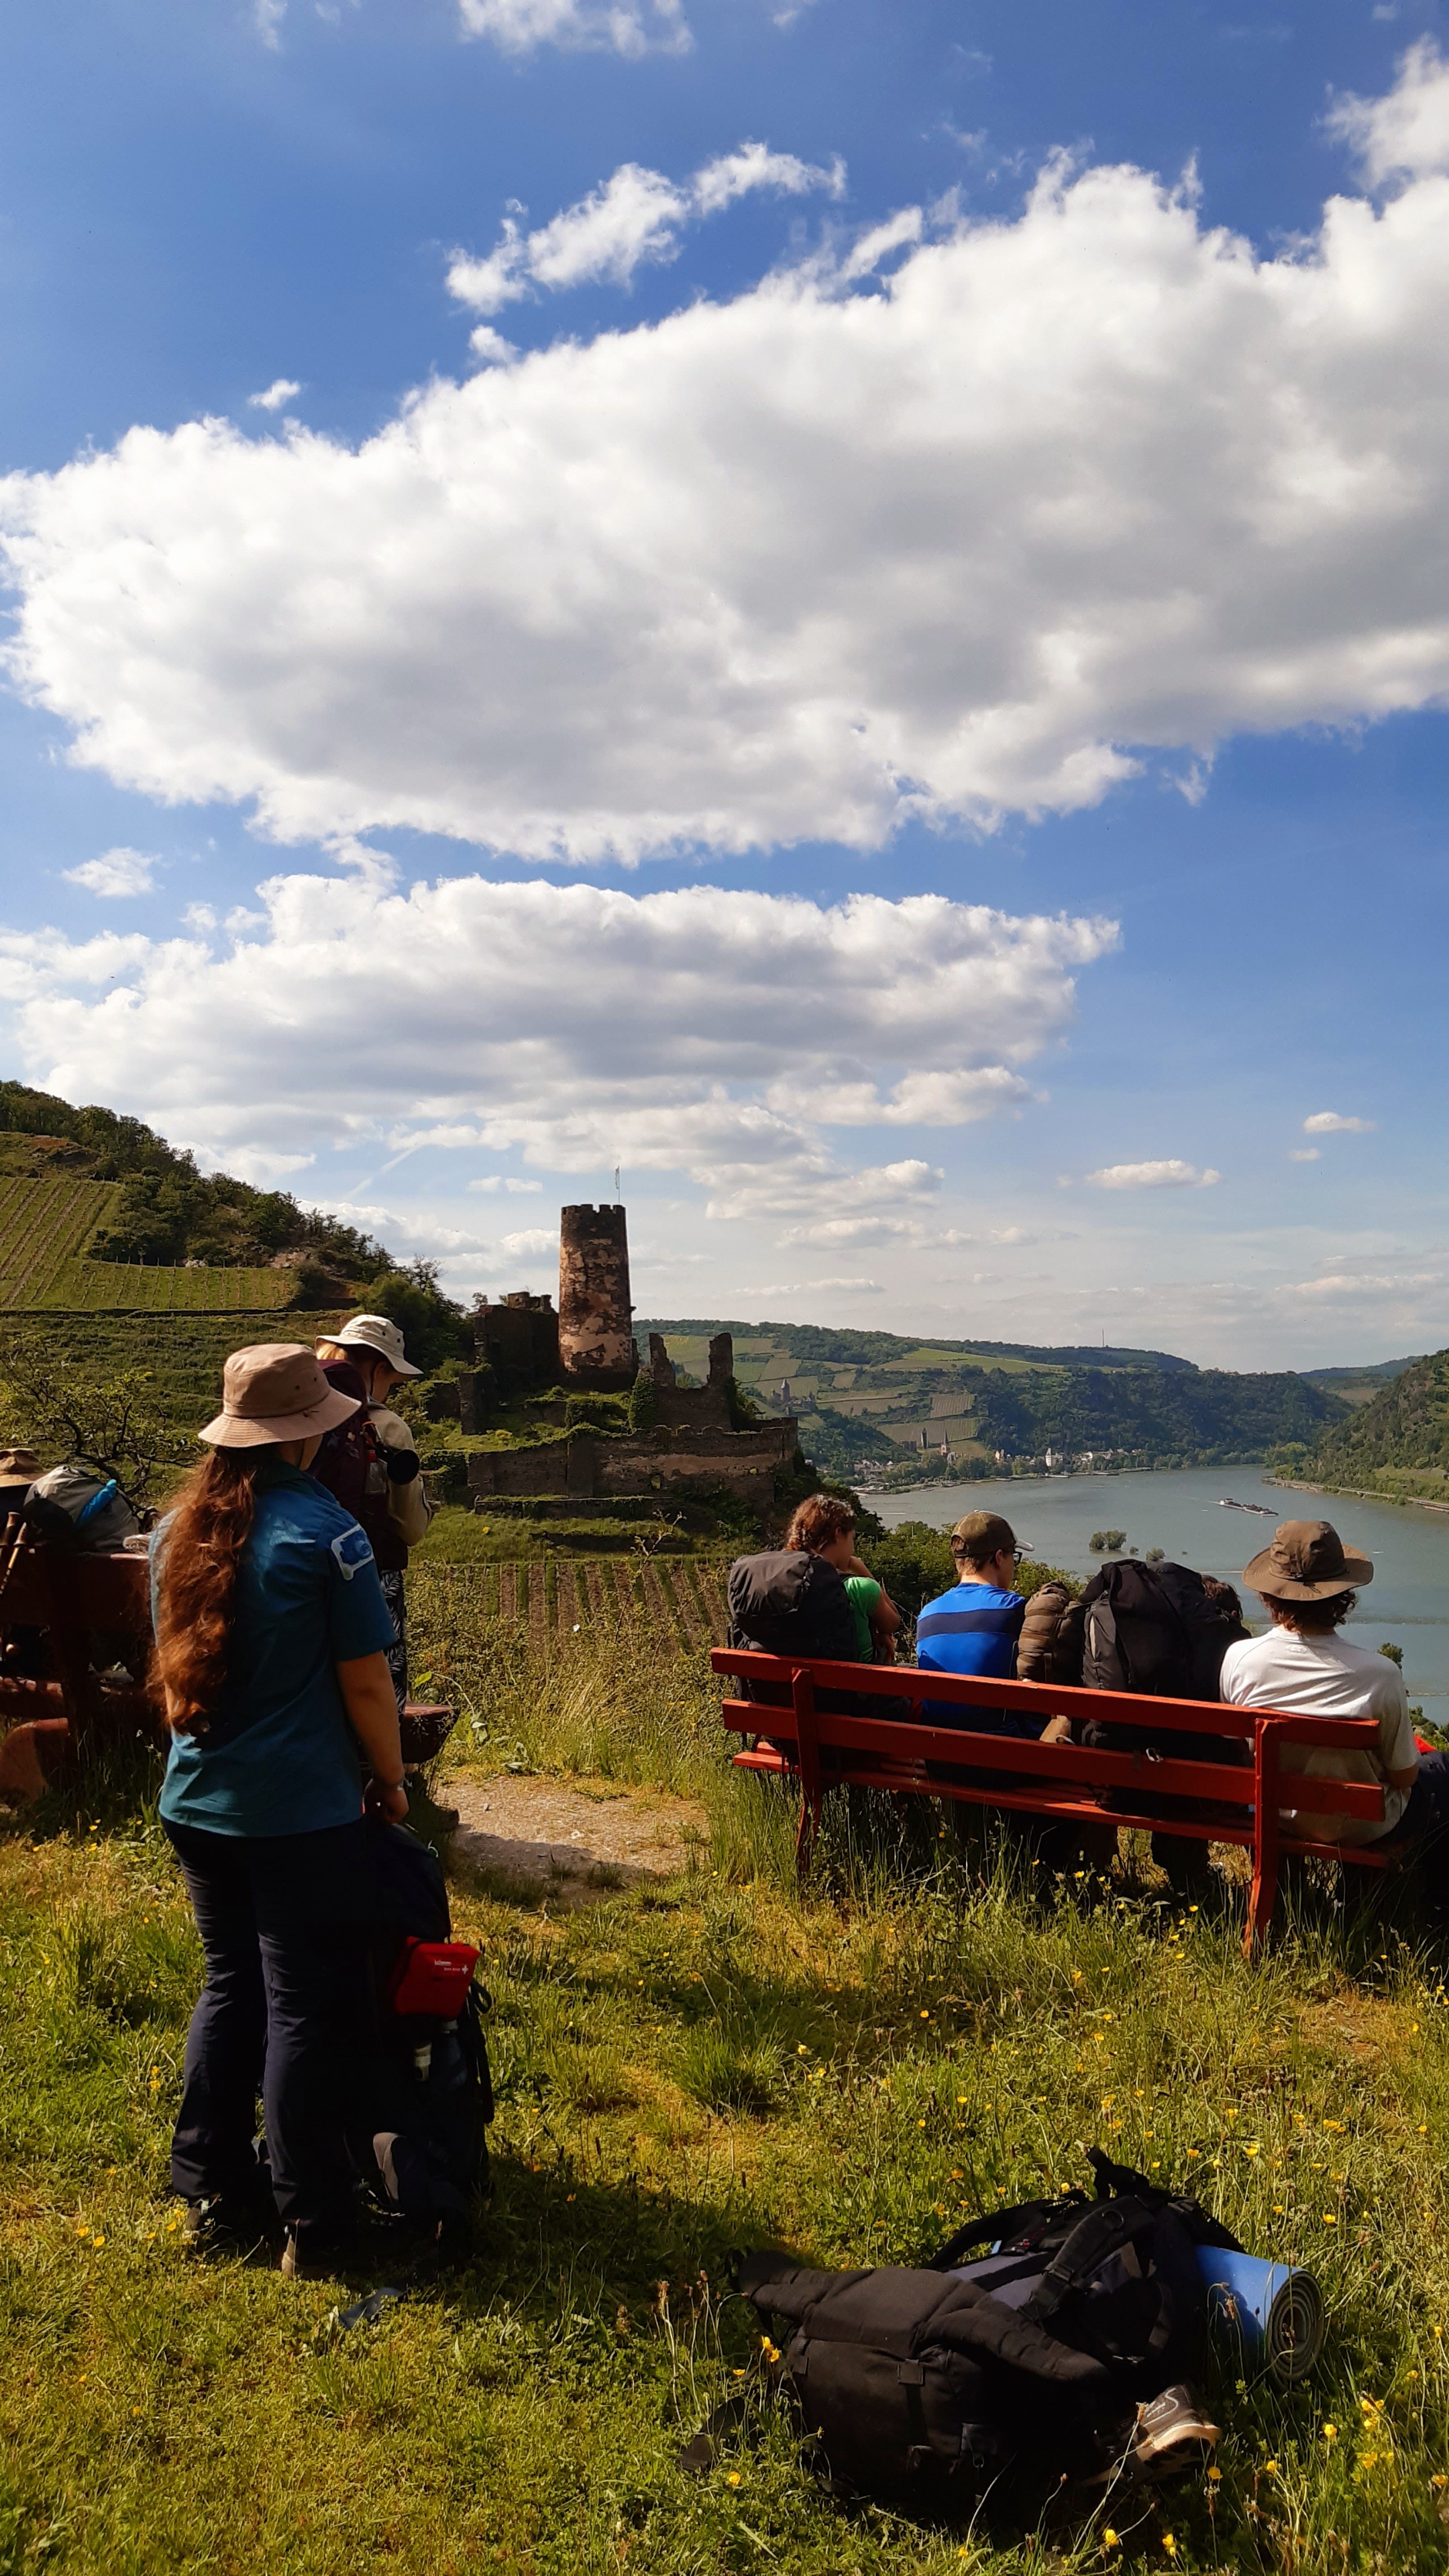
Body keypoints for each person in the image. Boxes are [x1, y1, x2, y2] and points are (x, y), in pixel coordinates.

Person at [152, 1344, 406, 2279]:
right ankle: (315, 2222)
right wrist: (390, 1780)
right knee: (302, 2004)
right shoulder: (329, 1533)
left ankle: (207, 2186)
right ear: (310, 1432)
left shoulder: (174, 1529)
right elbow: (369, 1686)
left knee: (231, 1987)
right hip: (298, 1811)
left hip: (197, 1802)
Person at [1221, 1519, 1429, 1848]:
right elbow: (1404, 1776)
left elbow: (1235, 1751)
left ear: (1270, 1596)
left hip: (1276, 1815)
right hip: (1364, 1826)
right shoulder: (1381, 1674)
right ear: (1342, 1595)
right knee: (1439, 1774)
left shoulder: (1239, 1659)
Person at [314, 1313, 429, 1711]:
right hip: (372, 1574)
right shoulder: (387, 1427)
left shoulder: (300, 1417)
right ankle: (390, 1767)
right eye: (392, 1381)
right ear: (380, 1368)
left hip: (300, 1571)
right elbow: (411, 1527)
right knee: (379, 1690)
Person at [915, 1511, 1033, 1732]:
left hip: (940, 1756)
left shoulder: (927, 1615)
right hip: (1000, 1754)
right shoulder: (1015, 1610)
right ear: (999, 1558)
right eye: (1013, 1557)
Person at [782, 1494, 902, 1662]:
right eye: (852, 1538)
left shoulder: (781, 1584)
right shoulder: (858, 1588)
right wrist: (859, 1567)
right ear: (838, 1534)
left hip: (792, 1684)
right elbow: (892, 1622)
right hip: (855, 1686)